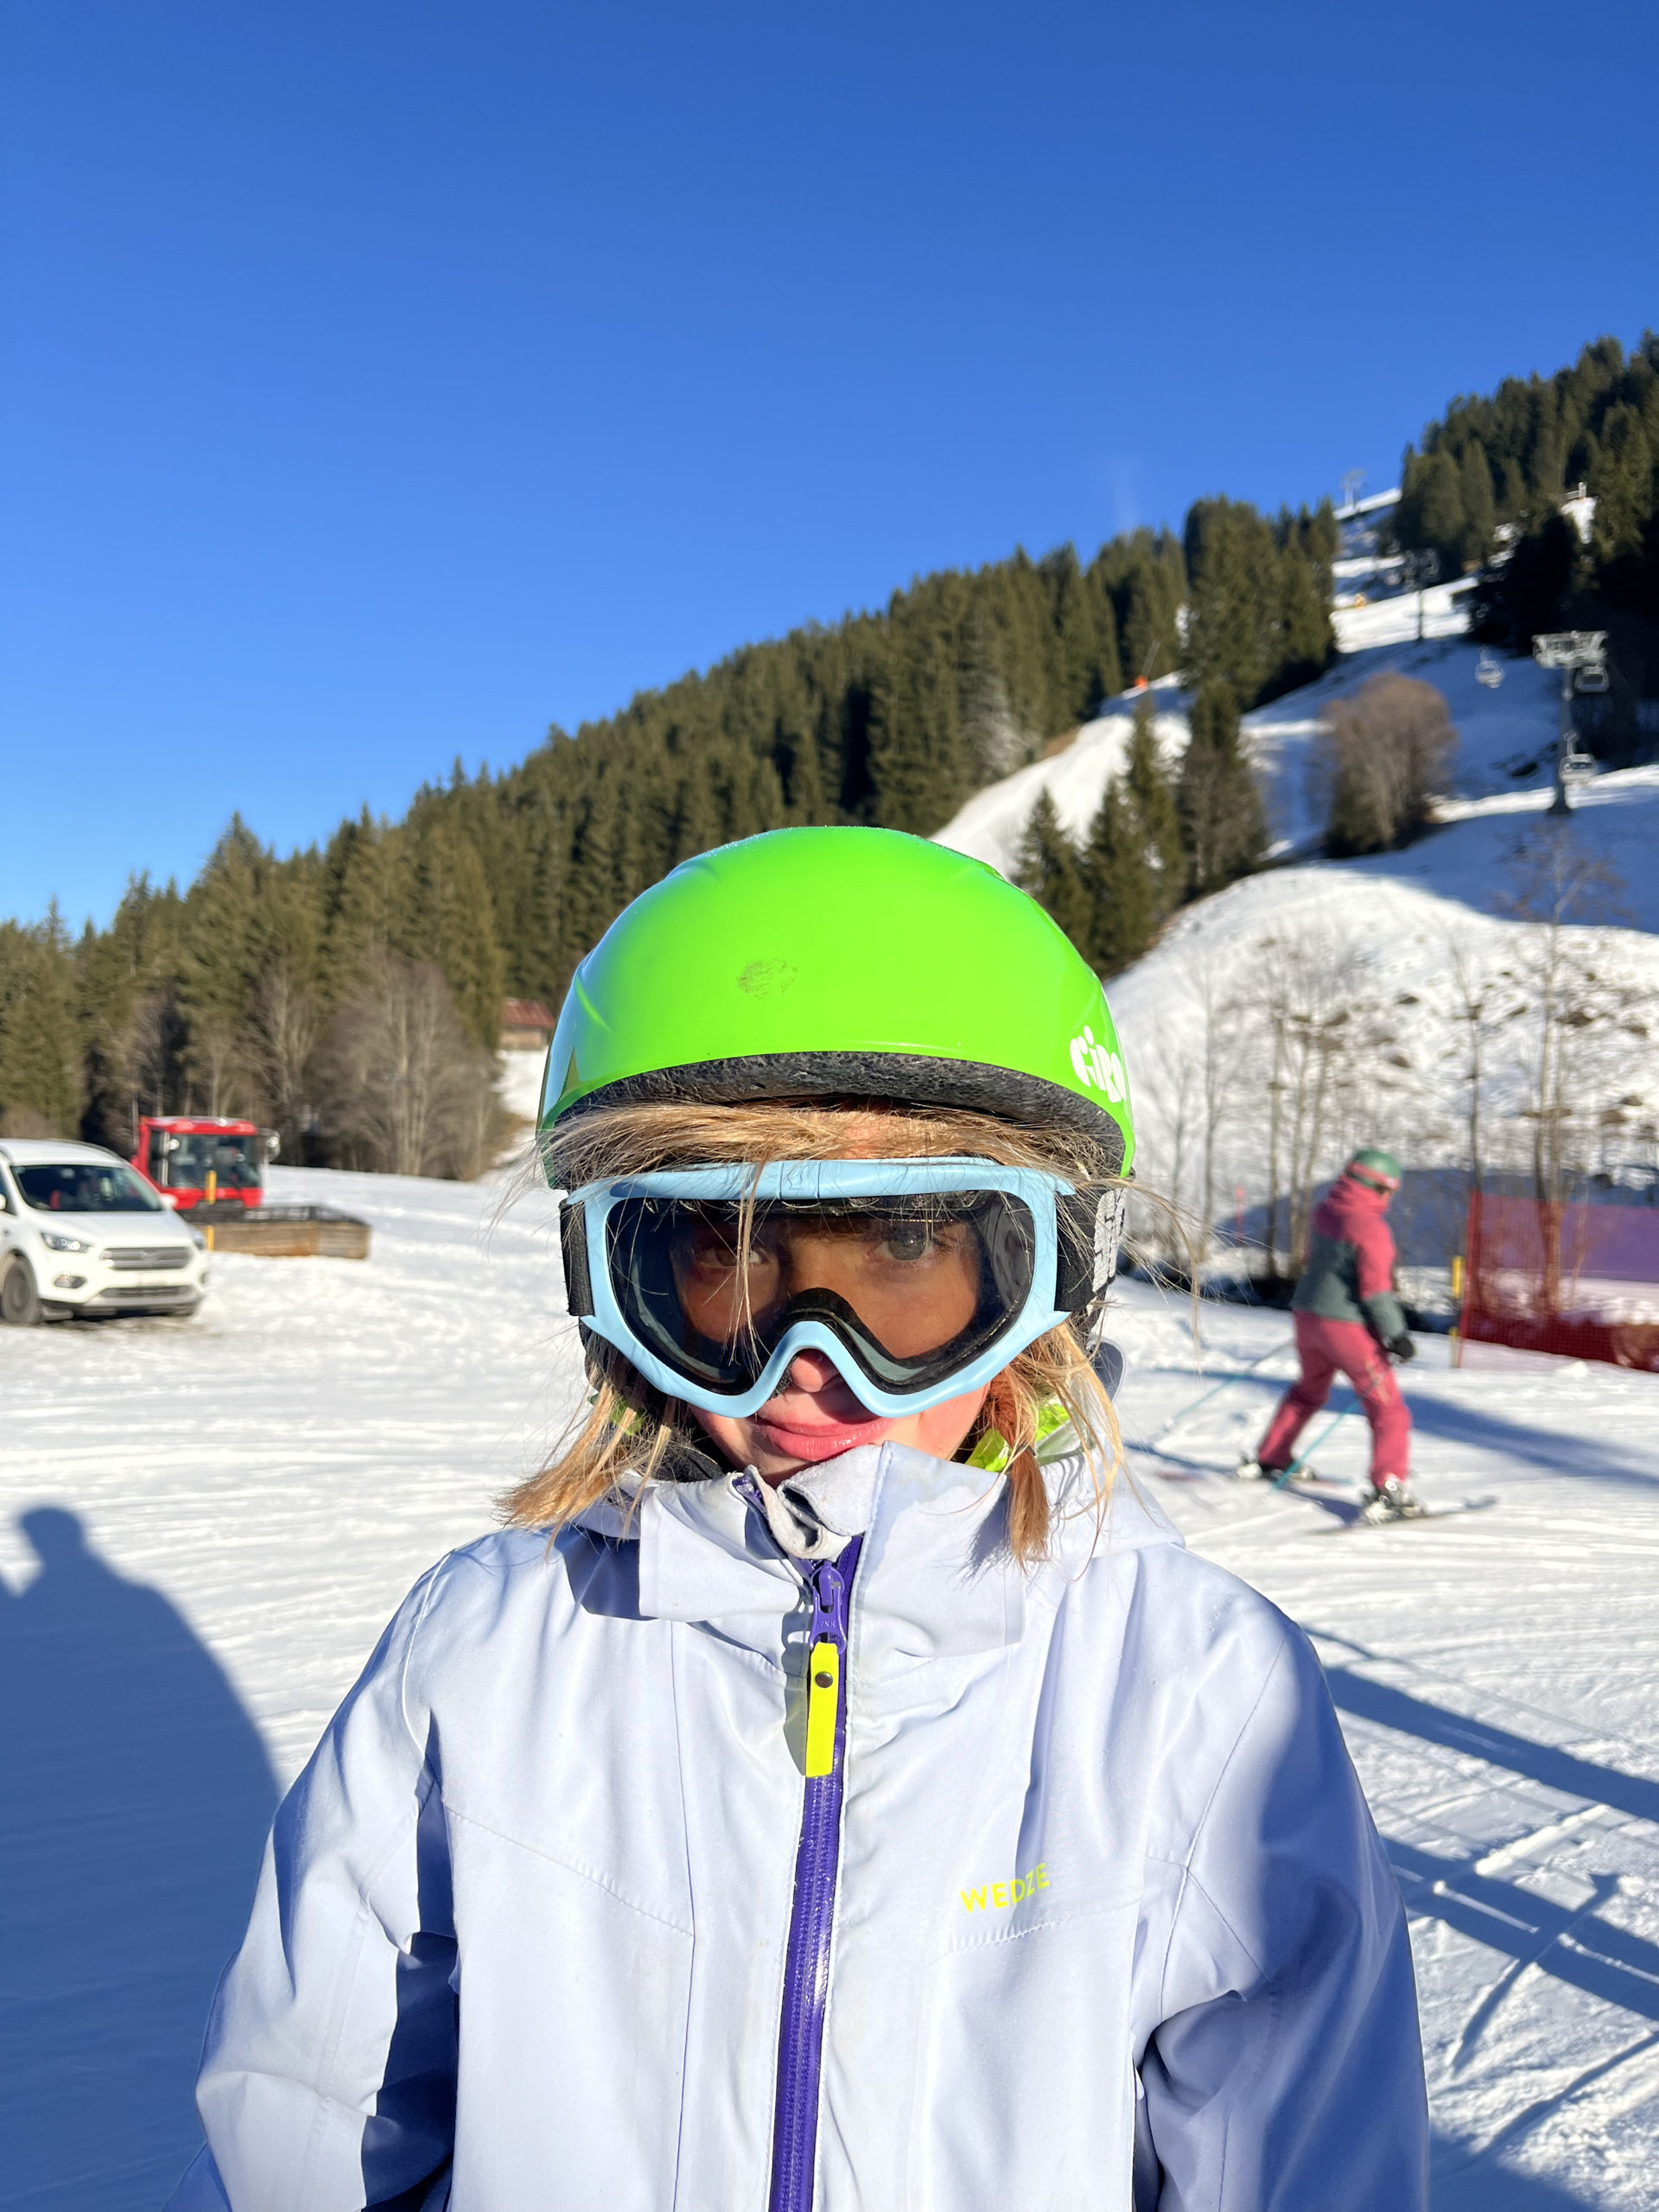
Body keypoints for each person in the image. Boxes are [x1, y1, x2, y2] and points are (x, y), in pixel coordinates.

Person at [168, 830, 1427, 2210]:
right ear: (614, 1288)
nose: (806, 1370)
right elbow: (313, 2121)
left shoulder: (1194, 1692)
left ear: (1050, 1281)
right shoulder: (487, 1655)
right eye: (723, 1257)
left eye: (906, 1254)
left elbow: (1306, 2168)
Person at [1239, 1148, 1421, 1519]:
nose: (1390, 1198)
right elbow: (1376, 1292)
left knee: (1308, 1390)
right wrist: (1397, 1334)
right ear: (1379, 1186)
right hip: (1346, 1326)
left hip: (1307, 1317)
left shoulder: (1326, 1210)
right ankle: (1389, 1486)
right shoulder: (1371, 1228)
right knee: (1388, 1408)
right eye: (1390, 1190)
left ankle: (1272, 1455)